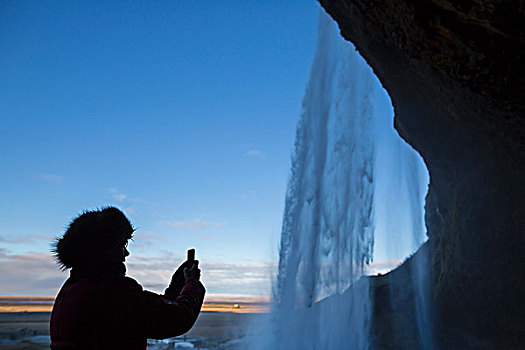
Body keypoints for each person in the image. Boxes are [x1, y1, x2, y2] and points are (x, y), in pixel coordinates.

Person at [49, 207, 205, 349]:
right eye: (122, 245)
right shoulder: (111, 292)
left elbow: (147, 313)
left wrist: (178, 285)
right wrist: (192, 283)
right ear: (105, 249)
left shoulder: (73, 288)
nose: (126, 253)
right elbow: (174, 319)